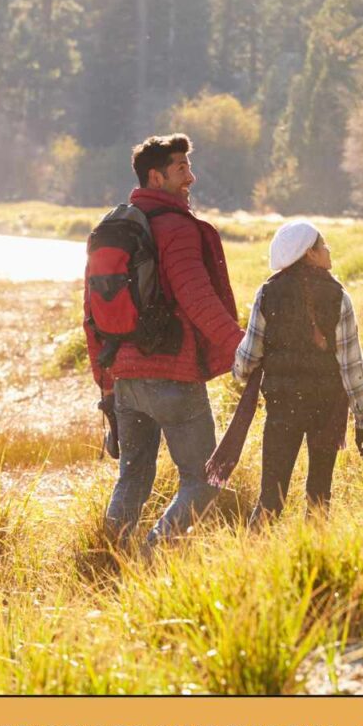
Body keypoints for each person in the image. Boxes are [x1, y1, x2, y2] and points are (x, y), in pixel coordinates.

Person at [84, 134, 243, 546]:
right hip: (173, 375)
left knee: (132, 479)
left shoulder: (113, 230)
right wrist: (241, 347)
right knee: (204, 479)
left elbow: (91, 316)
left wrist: (106, 382)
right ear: (156, 177)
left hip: (126, 380)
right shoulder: (176, 228)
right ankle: (154, 555)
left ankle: (110, 562)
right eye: (181, 169)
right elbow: (197, 297)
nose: (191, 176)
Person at [229, 219, 363, 524]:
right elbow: (352, 367)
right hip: (327, 408)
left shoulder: (268, 293)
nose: (328, 249)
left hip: (282, 407)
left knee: (271, 498)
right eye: (323, 245)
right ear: (309, 253)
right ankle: (314, 561)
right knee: (320, 496)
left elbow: (247, 359)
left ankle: (255, 560)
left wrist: (241, 371)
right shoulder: (339, 297)